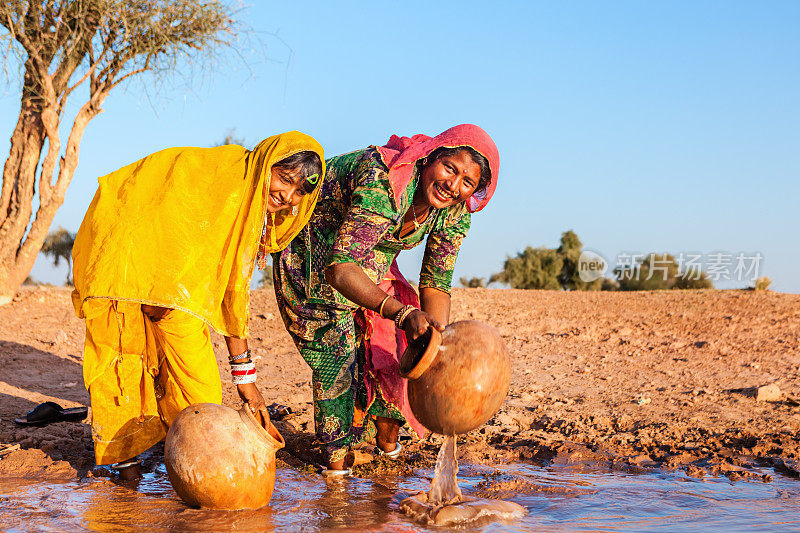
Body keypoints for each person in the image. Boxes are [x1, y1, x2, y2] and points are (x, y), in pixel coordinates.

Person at [71, 132, 325, 480]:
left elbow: (227, 294)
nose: (287, 196)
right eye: (284, 179)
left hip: (174, 284)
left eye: (299, 192)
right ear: (267, 164)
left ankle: (181, 454)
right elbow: (223, 293)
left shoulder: (252, 207)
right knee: (123, 354)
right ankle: (123, 461)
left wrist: (244, 381)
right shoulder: (227, 184)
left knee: (201, 392)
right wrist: (247, 386)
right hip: (124, 251)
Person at [272, 124, 499, 474]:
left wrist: (435, 342)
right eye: (450, 169)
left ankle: (388, 454)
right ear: (431, 158)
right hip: (313, 251)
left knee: (394, 352)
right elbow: (339, 268)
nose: (453, 186)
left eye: (467, 182)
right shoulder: (386, 181)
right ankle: (337, 472)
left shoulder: (453, 212)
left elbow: (437, 281)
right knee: (338, 352)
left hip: (370, 260)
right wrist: (402, 311)